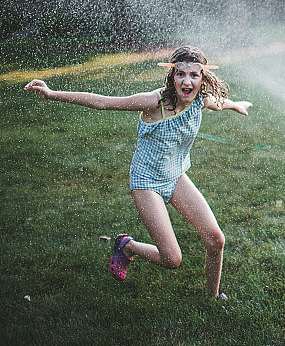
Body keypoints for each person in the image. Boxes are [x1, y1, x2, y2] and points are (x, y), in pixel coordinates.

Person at [24, 46, 251, 299]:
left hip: (175, 176)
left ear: (202, 78)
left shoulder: (201, 100)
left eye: (194, 75)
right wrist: (52, 93)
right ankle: (128, 246)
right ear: (172, 76)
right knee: (172, 259)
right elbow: (102, 102)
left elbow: (219, 103)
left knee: (216, 240)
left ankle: (212, 299)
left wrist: (236, 105)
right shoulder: (154, 102)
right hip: (147, 182)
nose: (187, 82)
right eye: (181, 74)